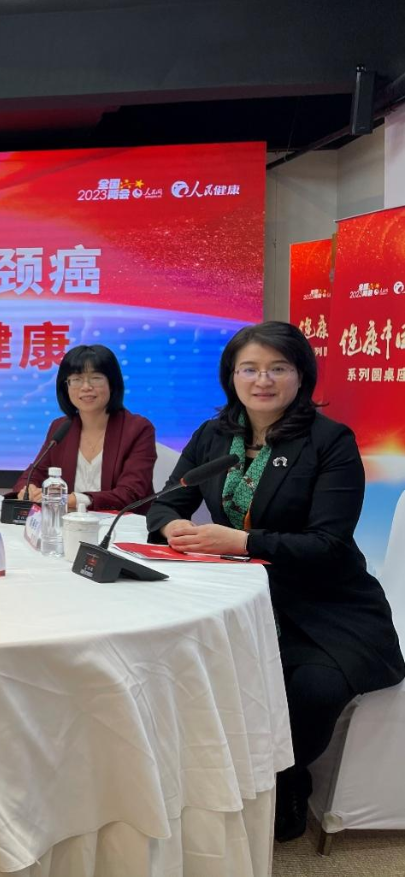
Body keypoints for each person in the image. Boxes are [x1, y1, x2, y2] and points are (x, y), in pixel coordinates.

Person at [146, 321, 404, 842]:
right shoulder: (213, 435)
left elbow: (328, 543)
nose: (262, 380)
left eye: (277, 368)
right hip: (233, 595)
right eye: (249, 369)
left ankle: (288, 777)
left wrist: (243, 542)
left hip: (323, 604)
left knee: (310, 689)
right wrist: (170, 524)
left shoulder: (329, 442)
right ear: (231, 377)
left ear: (301, 375)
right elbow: (167, 501)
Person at [9, 343, 157, 512]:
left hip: (121, 523)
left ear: (112, 383)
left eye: (96, 378)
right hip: (69, 522)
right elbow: (34, 474)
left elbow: (130, 493)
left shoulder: (138, 429)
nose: (86, 387)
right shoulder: (60, 427)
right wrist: (28, 489)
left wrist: (74, 499)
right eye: (76, 379)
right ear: (66, 387)